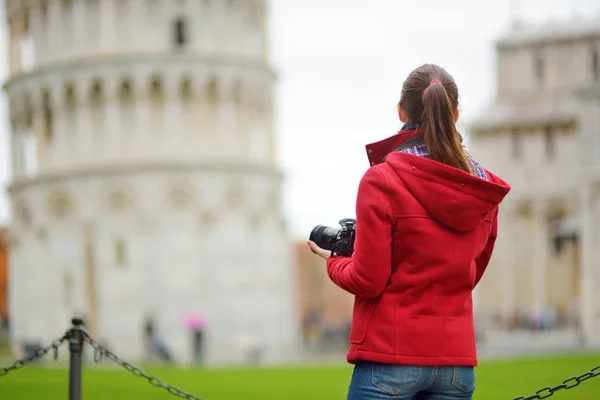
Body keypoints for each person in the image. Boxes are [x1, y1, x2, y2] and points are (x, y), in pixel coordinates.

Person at [308, 63, 511, 400]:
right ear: (455, 114)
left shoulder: (382, 181)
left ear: (401, 110)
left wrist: (334, 260)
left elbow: (368, 279)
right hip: (456, 365)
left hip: (389, 359)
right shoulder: (483, 189)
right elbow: (469, 275)